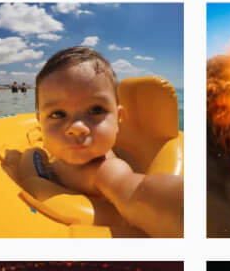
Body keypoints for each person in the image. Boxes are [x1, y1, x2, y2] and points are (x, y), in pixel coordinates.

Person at [33, 46, 185, 237]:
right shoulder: (51, 151)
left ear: (118, 118)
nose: (77, 127)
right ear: (40, 122)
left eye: (96, 110)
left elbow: (137, 192)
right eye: (58, 114)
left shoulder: (106, 169)